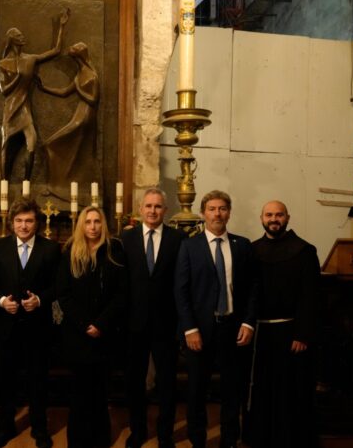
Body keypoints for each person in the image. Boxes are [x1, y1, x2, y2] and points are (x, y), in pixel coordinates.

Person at [174, 190, 257, 448]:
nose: (217, 213)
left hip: (234, 330)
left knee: (233, 391)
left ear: (229, 213)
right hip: (200, 331)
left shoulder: (242, 246)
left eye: (222, 208)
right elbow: (181, 290)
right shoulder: (189, 246)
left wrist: (248, 322)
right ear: (203, 213)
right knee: (197, 390)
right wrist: (189, 328)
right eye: (211, 209)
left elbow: (253, 288)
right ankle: (198, 439)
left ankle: (230, 440)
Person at [0, 198, 61, 448]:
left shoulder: (51, 249)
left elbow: (59, 285)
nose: (24, 226)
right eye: (19, 221)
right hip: (6, 327)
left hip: (39, 328)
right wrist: (1, 300)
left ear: (36, 223)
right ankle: (4, 428)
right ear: (12, 222)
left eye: (28, 221)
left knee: (38, 381)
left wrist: (39, 299)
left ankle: (39, 428)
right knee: (5, 380)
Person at [244, 200, 319, 448]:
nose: (273, 219)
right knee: (262, 391)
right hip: (260, 333)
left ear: (287, 218)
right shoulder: (252, 250)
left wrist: (303, 334)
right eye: (269, 215)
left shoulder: (305, 251)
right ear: (261, 218)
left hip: (291, 334)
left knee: (290, 393)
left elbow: (310, 296)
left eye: (279, 215)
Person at [56, 206, 127, 448]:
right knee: (79, 391)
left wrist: (101, 324)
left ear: (103, 224)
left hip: (105, 333)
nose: (93, 227)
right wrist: (85, 324)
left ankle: (99, 439)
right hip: (77, 334)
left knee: (100, 391)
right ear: (82, 225)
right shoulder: (69, 252)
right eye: (88, 222)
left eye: (97, 221)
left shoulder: (114, 250)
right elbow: (63, 295)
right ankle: (77, 440)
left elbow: (121, 293)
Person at [121, 188, 184, 448]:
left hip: (166, 323)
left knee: (167, 383)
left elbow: (182, 282)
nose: (153, 211)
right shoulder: (125, 238)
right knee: (135, 382)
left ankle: (165, 435)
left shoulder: (178, 239)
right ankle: (137, 431)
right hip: (133, 323)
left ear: (165, 211)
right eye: (148, 206)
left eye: (158, 207)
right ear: (140, 208)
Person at [0, 9, 69, 181]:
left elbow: (55, 51)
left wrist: (61, 26)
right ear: (13, 40)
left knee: (32, 141)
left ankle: (26, 185)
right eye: (19, 36)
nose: (23, 38)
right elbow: (4, 90)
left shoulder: (30, 59)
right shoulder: (4, 63)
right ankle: (4, 184)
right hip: (12, 111)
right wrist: (18, 78)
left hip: (25, 110)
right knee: (7, 147)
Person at [38, 41, 99, 192]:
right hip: (79, 115)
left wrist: (79, 88)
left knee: (52, 144)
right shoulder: (80, 74)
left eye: (74, 48)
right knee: (59, 147)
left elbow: (93, 99)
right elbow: (65, 92)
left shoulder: (92, 75)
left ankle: (56, 185)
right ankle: (60, 184)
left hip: (85, 117)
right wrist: (44, 88)